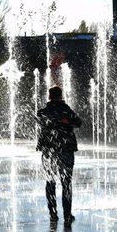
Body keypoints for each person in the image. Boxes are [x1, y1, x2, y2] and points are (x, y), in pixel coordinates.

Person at [37, 86, 81, 223]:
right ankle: (67, 214)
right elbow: (78, 122)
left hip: (48, 151)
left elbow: (42, 122)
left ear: (49, 97)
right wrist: (65, 121)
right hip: (66, 150)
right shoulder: (66, 110)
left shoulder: (43, 111)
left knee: (50, 182)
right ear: (61, 96)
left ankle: (53, 213)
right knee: (66, 182)